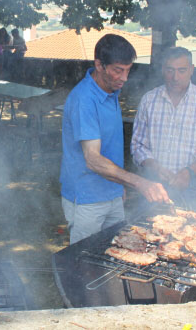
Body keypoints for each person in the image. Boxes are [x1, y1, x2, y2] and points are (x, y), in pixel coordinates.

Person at [60, 34, 170, 245]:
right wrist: (140, 182)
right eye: (118, 70)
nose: (124, 78)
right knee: (85, 262)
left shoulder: (110, 91)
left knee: (116, 255)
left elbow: (109, 147)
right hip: (87, 199)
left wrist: (119, 188)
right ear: (99, 65)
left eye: (128, 70)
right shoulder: (84, 99)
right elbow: (92, 159)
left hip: (111, 193)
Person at [131, 47, 196, 208]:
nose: (175, 77)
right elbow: (138, 145)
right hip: (155, 184)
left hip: (194, 186)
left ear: (191, 70)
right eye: (170, 70)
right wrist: (154, 166)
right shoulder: (149, 100)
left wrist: (188, 173)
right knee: (149, 229)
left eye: (182, 70)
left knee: (191, 229)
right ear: (162, 70)